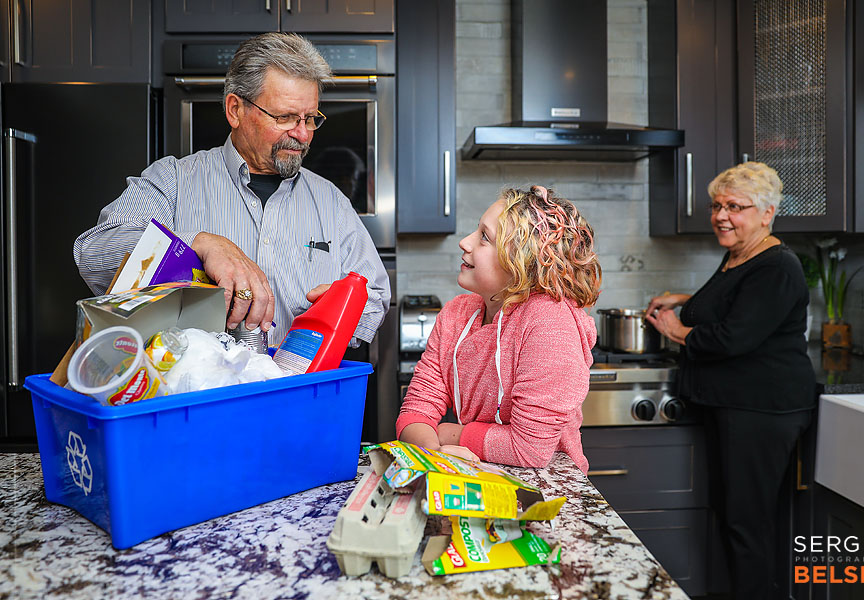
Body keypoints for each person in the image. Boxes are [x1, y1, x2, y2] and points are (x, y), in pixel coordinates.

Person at [73, 33, 390, 346]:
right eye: (286, 117)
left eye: (310, 119)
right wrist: (197, 243)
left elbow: (375, 295)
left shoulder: (330, 201)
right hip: (201, 395)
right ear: (235, 109)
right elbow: (95, 253)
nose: (303, 134)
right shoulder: (174, 180)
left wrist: (344, 310)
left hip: (299, 393)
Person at [645, 162, 816, 600]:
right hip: (735, 406)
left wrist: (675, 330)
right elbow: (729, 303)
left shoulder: (778, 265)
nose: (721, 215)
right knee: (733, 514)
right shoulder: (740, 255)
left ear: (767, 213)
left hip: (761, 409)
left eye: (735, 207)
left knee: (747, 522)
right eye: (717, 206)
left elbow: (732, 337)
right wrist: (685, 299)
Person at [396, 186, 601, 472]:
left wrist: (449, 434)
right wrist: (432, 453)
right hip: (470, 476)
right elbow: (417, 407)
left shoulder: (550, 323)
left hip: (543, 489)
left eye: (484, 238)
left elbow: (529, 451)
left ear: (521, 262)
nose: (465, 243)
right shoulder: (456, 314)